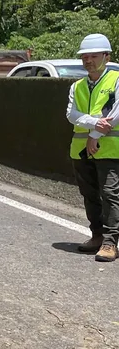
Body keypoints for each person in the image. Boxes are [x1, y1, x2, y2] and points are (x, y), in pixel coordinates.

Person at [66, 33, 119, 263]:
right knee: (89, 194)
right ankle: (97, 235)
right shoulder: (77, 86)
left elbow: (116, 114)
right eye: (84, 56)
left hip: (110, 149)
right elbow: (71, 114)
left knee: (110, 194)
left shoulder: (116, 80)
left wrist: (95, 134)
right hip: (80, 149)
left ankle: (110, 242)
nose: (88, 60)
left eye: (93, 56)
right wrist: (93, 123)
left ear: (106, 56)